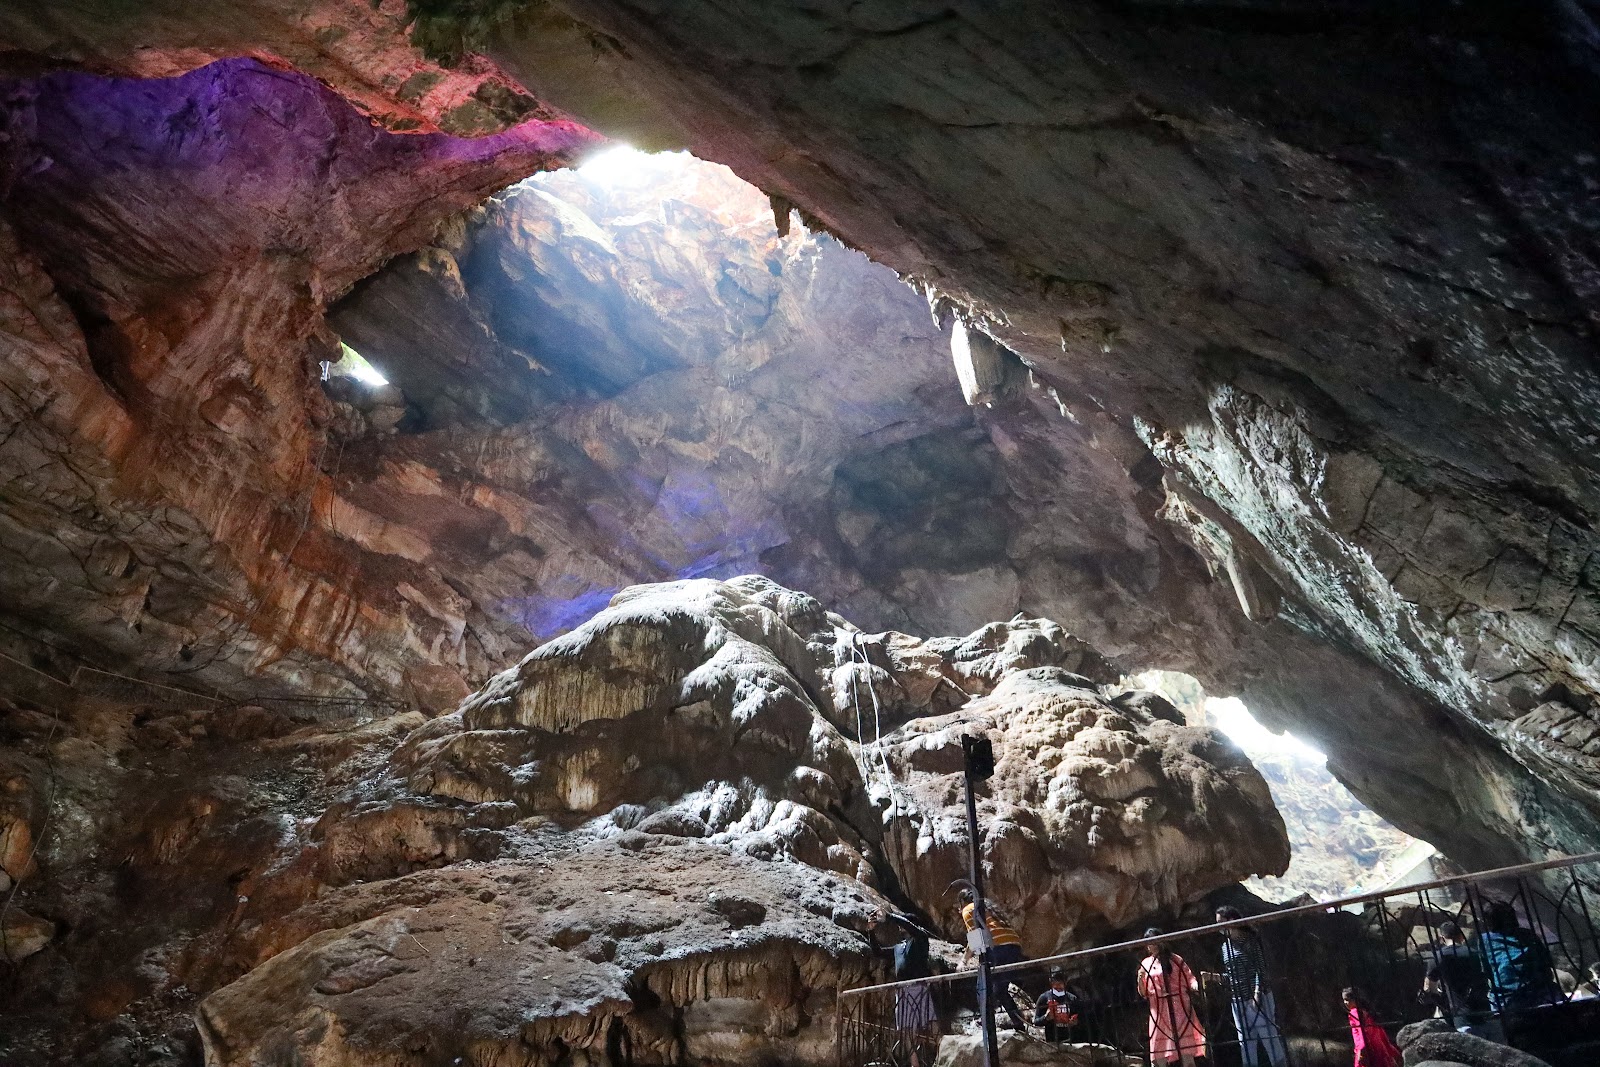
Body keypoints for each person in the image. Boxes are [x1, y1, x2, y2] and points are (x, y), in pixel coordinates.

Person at [1213, 906, 1286, 1067]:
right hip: (1238, 1000)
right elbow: (1232, 976)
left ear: (1231, 921)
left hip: (1257, 997)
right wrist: (1214, 977)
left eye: (1220, 923)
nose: (1218, 928)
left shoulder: (1249, 941)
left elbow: (1260, 968)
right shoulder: (1226, 947)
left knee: (1269, 1037)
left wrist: (1257, 992)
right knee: (1246, 1042)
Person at [959, 889, 1030, 1031]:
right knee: (1000, 990)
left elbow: (975, 938)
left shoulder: (968, 909)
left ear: (962, 902)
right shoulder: (986, 907)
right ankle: (1018, 1023)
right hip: (1014, 946)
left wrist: (964, 961)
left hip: (997, 947)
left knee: (982, 986)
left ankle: (985, 1022)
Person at [1137, 928, 1208, 1067]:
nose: (1153, 945)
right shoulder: (1145, 963)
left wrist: (1197, 986)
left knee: (1186, 1050)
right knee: (1159, 1054)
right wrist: (1140, 980)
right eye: (1149, 942)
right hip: (1158, 1010)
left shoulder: (1175, 960)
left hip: (1179, 1006)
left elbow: (1189, 978)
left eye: (1155, 941)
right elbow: (1143, 992)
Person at [1420, 920, 1502, 1040]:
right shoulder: (1476, 954)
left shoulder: (1439, 957)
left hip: (1464, 1018)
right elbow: (1491, 977)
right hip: (1487, 1013)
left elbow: (1428, 988)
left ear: (1442, 938)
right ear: (1461, 936)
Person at [1477, 901, 1562, 1012]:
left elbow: (1486, 970)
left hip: (1507, 997)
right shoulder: (1528, 934)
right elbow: (1546, 960)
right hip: (1541, 991)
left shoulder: (1485, 939)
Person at [885, 914, 940, 1066]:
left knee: (931, 1021)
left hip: (919, 987)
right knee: (908, 1029)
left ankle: (943, 1054)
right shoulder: (899, 947)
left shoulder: (920, 938)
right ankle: (914, 1063)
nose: (901, 926)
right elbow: (878, 952)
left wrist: (890, 916)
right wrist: (870, 931)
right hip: (903, 991)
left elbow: (912, 929)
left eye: (904, 923)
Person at [1343, 987, 1401, 1067]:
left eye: (1348, 1000)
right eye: (1344, 1000)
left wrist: (1361, 1050)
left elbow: (1361, 1032)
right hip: (1379, 1047)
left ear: (1356, 1000)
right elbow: (1380, 1032)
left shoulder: (1355, 1013)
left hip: (1368, 1049)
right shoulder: (1369, 1012)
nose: (1345, 1003)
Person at [1032, 967, 1083, 1042]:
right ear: (1050, 982)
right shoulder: (1044, 998)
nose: (1058, 986)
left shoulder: (1072, 998)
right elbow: (1036, 1022)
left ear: (1065, 982)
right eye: (1055, 982)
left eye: (1061, 983)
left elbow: (1082, 1019)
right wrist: (1046, 1017)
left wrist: (1075, 1022)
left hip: (1071, 1041)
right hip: (1052, 1041)